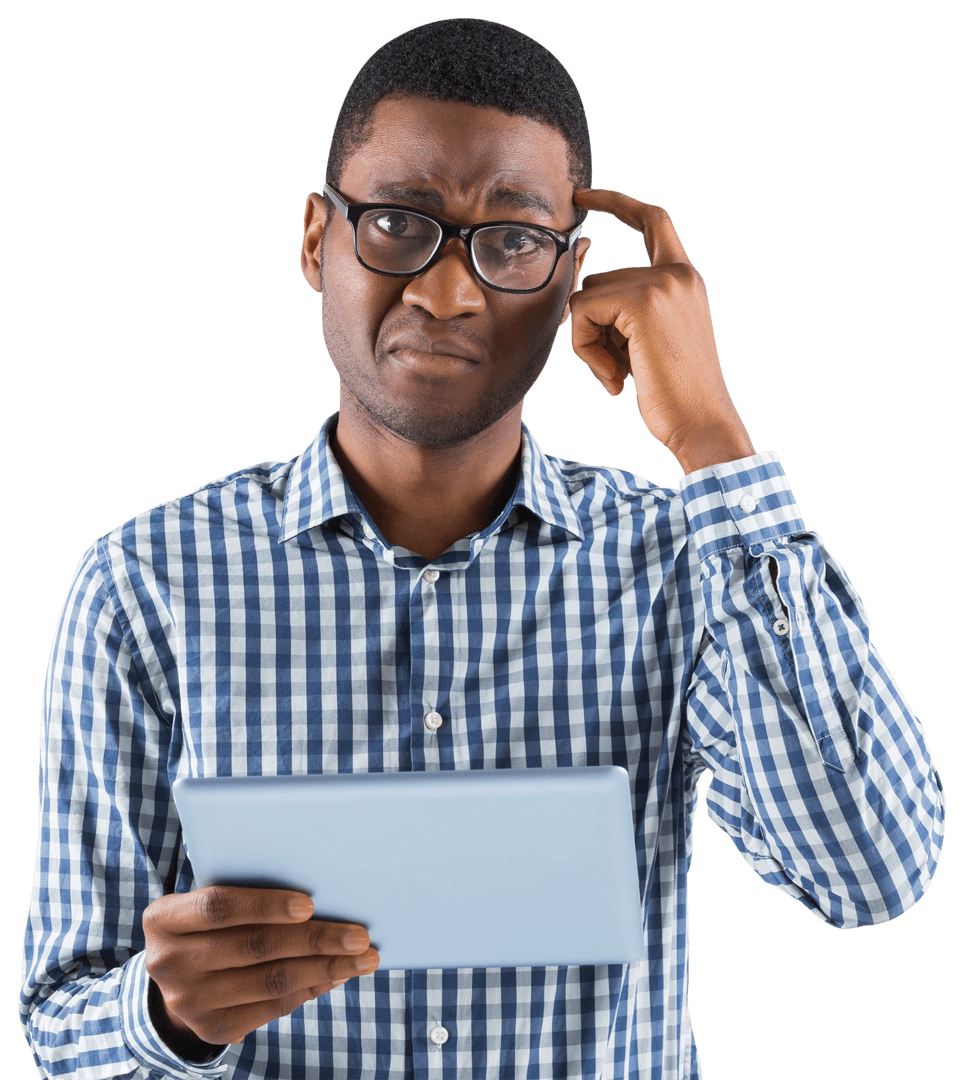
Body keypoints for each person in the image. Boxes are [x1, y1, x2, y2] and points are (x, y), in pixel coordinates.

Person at [19, 16, 944, 1080]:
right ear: (318, 238)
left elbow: (867, 874)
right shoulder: (146, 586)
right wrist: (163, 1016)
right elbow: (61, 1016)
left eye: (509, 239)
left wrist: (713, 445)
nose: (446, 291)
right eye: (399, 222)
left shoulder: (681, 565)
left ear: (570, 279)